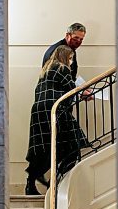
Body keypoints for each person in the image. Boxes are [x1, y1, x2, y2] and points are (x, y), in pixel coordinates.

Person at [25, 45, 89, 195]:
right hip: (55, 110)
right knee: (71, 146)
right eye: (71, 58)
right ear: (65, 56)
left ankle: (32, 183)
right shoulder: (62, 68)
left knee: (44, 147)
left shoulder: (45, 71)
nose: (72, 61)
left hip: (39, 111)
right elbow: (71, 88)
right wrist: (84, 92)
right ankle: (55, 184)